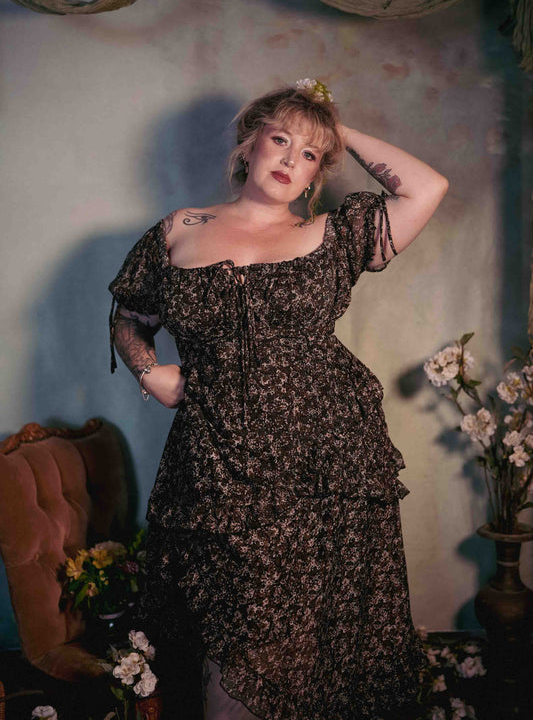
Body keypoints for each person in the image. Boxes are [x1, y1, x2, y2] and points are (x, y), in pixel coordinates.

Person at [108, 80, 448, 720]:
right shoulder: (180, 227)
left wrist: (333, 127)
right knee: (229, 624)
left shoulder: (335, 234)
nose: (291, 160)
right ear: (249, 144)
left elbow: (425, 188)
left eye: (312, 155)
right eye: (281, 140)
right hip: (215, 460)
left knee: (311, 636)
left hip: (322, 460)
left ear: (322, 170)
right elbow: (129, 318)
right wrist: (150, 372)